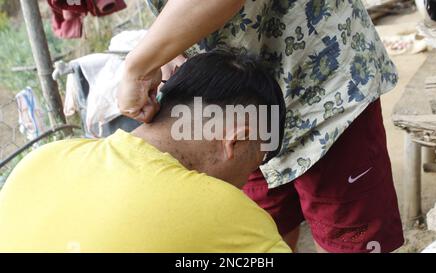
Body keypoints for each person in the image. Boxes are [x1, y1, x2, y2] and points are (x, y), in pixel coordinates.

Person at [117, 0, 404, 253]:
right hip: (231, 98)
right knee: (261, 222)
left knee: (347, 235)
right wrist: (168, 48)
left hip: (322, 83)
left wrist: (138, 66)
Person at [0, 51, 290, 253]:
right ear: (237, 140)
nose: (245, 182)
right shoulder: (229, 214)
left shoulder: (43, 158)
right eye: (256, 162)